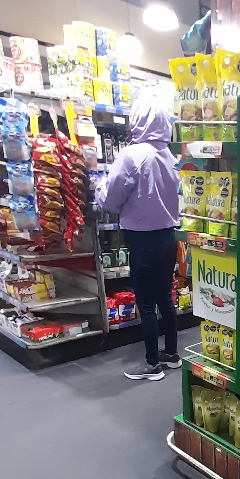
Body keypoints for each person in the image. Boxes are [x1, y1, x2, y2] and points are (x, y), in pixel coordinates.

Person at [95, 92, 181, 381]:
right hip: (167, 236)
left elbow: (110, 199)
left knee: (145, 302)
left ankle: (151, 364)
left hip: (143, 239)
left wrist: (98, 187)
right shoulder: (170, 157)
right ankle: (171, 353)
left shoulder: (132, 155)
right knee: (165, 297)